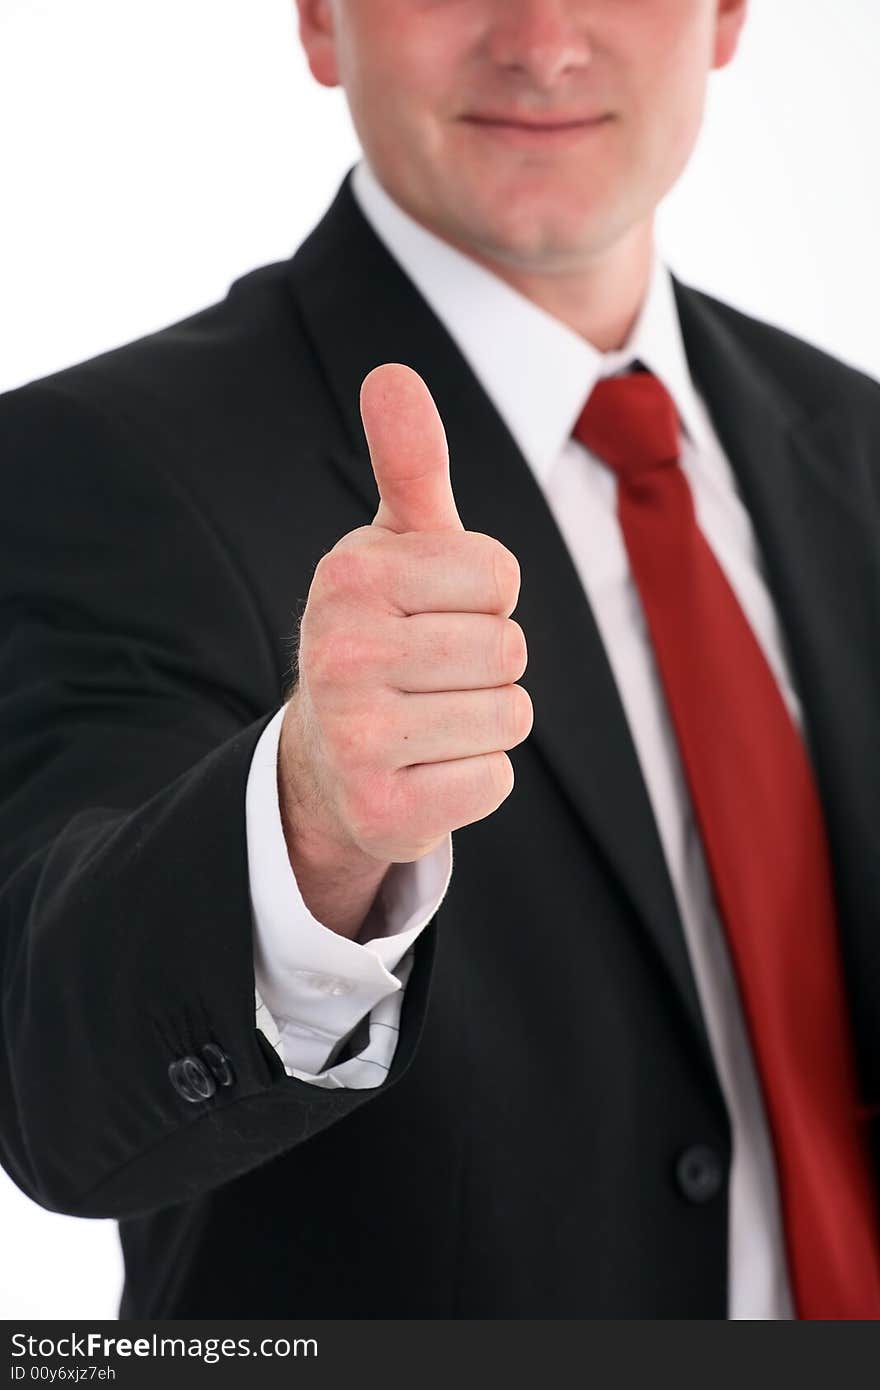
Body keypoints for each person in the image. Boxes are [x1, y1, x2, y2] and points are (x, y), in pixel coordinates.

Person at [1, 0, 879, 1320]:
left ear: (729, 16)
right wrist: (306, 829)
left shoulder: (857, 445)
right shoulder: (98, 464)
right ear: (316, 19)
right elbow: (59, 1082)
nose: (541, 40)